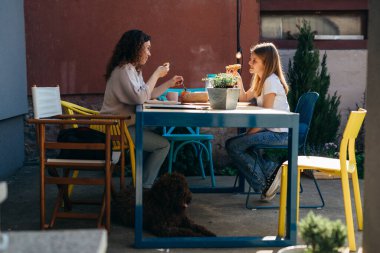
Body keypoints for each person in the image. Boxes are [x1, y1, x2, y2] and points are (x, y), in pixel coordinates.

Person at [101, 29, 184, 188]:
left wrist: (168, 83)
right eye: (147, 48)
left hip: (124, 126)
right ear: (135, 48)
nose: (149, 53)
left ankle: (139, 185)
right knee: (162, 145)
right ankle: (143, 189)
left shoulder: (132, 70)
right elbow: (140, 97)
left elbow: (147, 94)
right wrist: (156, 74)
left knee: (156, 140)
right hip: (117, 129)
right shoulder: (124, 70)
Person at [225, 42, 290, 201]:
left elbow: (266, 116)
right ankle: (271, 171)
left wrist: (249, 133)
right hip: (270, 131)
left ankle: (264, 184)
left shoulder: (271, 81)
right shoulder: (261, 80)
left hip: (279, 134)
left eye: (254, 60)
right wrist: (238, 80)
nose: (249, 63)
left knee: (234, 145)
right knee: (236, 143)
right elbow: (243, 97)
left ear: (266, 63)